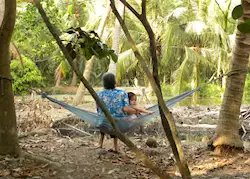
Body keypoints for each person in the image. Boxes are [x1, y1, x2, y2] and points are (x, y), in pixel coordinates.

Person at [96, 72, 136, 153]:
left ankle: (100, 142)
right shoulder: (122, 93)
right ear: (114, 82)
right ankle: (115, 146)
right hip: (120, 122)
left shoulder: (99, 94)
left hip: (104, 122)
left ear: (104, 82)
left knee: (103, 118)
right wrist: (135, 111)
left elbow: (98, 110)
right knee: (116, 119)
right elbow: (125, 108)